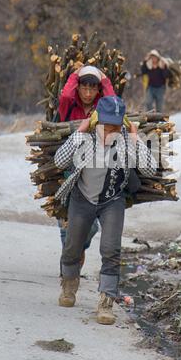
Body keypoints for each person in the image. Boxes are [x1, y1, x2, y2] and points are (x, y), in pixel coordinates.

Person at [54, 96, 157, 325]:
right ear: (96, 121)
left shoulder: (125, 141)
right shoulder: (86, 139)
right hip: (82, 199)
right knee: (72, 247)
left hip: (112, 200)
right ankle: (69, 286)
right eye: (106, 125)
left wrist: (135, 139)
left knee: (111, 250)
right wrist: (79, 132)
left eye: (115, 126)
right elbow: (59, 161)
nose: (110, 130)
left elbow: (150, 170)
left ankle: (106, 302)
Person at [57, 65, 116, 271]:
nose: (88, 93)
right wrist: (77, 72)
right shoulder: (69, 106)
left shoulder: (101, 107)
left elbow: (113, 101)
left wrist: (104, 77)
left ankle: (76, 252)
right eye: (84, 88)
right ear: (78, 88)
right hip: (67, 171)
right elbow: (64, 95)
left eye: (93, 89)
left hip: (92, 173)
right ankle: (68, 271)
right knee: (66, 224)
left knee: (89, 228)